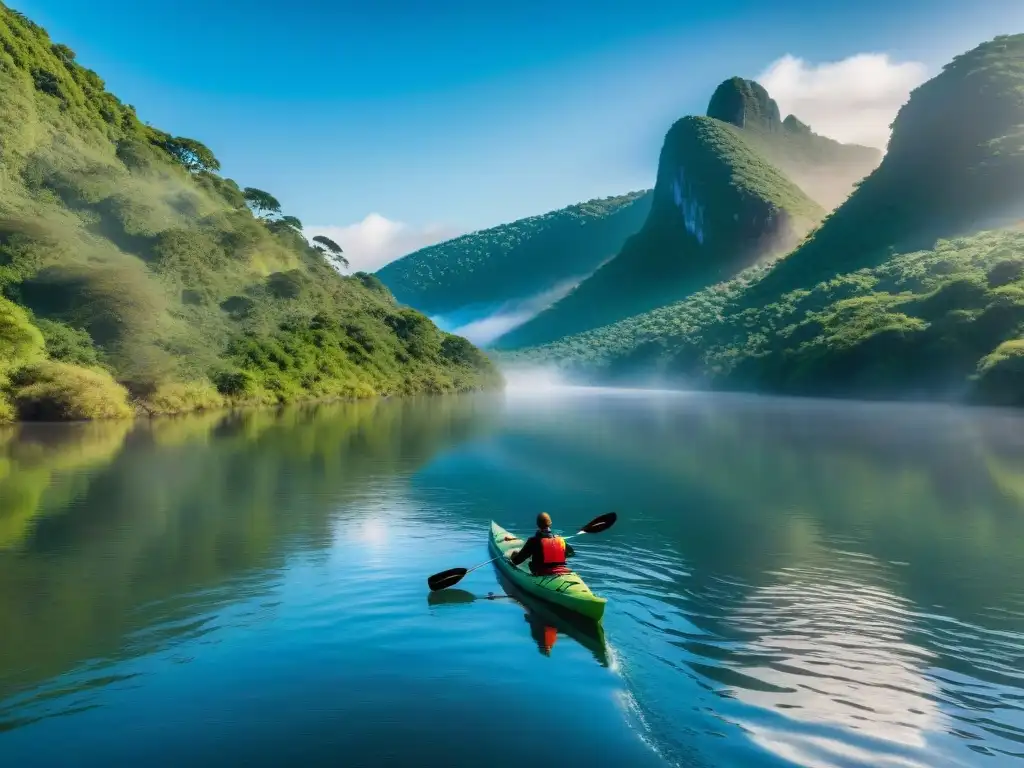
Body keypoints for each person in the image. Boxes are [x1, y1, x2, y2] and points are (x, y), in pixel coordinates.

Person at [506, 512, 575, 576]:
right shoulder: (560, 540)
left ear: (537, 525)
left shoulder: (533, 541)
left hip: (541, 573)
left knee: (517, 553)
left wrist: (511, 558)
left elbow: (517, 561)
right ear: (550, 524)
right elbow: (571, 553)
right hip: (561, 571)